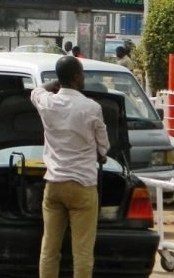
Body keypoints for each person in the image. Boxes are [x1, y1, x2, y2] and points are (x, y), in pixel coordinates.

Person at [31, 56, 109, 278]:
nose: (83, 77)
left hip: (54, 184)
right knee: (82, 252)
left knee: (49, 249)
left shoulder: (47, 102)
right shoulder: (92, 108)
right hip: (83, 187)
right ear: (76, 77)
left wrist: (52, 85)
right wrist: (100, 154)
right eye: (82, 73)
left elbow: (36, 91)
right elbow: (104, 147)